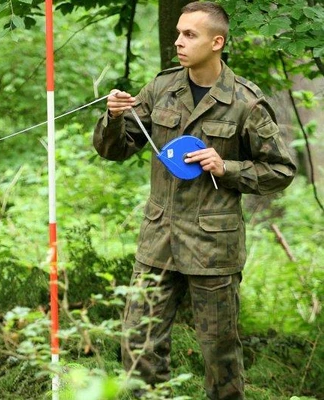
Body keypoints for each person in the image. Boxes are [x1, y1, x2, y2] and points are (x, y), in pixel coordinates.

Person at [93, 2, 296, 399]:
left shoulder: (245, 102)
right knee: (138, 347)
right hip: (158, 242)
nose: (179, 42)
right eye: (178, 33)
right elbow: (115, 150)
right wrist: (114, 117)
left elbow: (281, 171)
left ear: (217, 42)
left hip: (212, 247)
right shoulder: (161, 88)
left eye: (190, 35)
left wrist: (227, 167)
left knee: (219, 356)